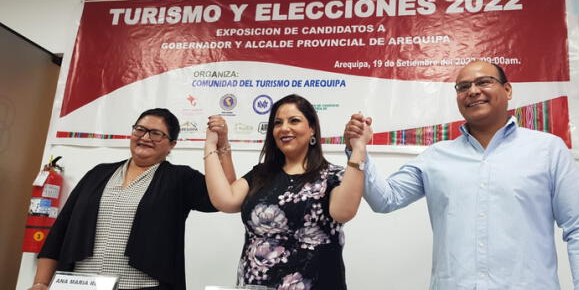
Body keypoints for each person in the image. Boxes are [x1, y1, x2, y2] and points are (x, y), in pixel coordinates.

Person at [344, 61, 579, 289]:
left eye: (484, 82)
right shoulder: (436, 155)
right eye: (463, 86)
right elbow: (385, 199)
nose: (473, 91)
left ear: (507, 89)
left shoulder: (547, 149)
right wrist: (358, 150)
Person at [30, 108, 236, 290]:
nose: (145, 137)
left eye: (156, 133)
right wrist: (40, 283)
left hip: (143, 286)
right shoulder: (98, 174)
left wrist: (221, 144)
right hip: (80, 284)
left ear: (171, 144)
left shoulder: (179, 178)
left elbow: (225, 194)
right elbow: (61, 229)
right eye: (140, 129)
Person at [204, 94, 371, 289]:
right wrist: (213, 145)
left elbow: (344, 212)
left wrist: (358, 148)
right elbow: (225, 200)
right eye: (277, 123)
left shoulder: (333, 176)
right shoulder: (261, 174)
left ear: (312, 130)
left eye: (294, 120)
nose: (284, 128)